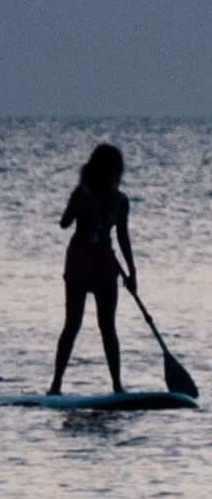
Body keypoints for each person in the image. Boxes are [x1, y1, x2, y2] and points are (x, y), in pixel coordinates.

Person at [51, 141, 136, 396]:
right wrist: (77, 207)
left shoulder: (120, 201)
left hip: (104, 263)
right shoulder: (84, 193)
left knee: (107, 327)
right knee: (73, 324)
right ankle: (56, 385)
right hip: (81, 260)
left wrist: (132, 273)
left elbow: (123, 237)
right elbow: (64, 223)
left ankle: (117, 385)